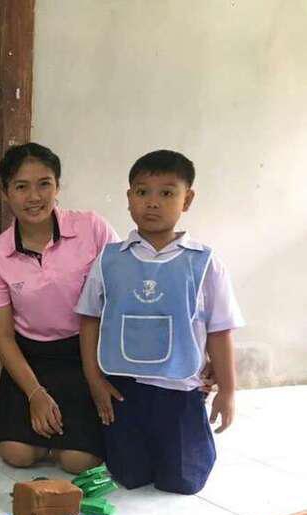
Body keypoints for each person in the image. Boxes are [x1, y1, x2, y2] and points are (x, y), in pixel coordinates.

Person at [77, 150, 243, 494]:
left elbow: (220, 330)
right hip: (123, 389)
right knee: (129, 475)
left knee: (183, 481)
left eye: (167, 193)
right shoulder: (109, 259)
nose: (152, 202)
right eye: (142, 192)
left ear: (187, 200)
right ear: (129, 198)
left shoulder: (204, 263)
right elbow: (90, 319)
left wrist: (228, 391)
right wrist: (94, 380)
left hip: (180, 389)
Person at [0, 143, 120, 475]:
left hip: (86, 354)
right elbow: (3, 337)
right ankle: (47, 431)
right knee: (16, 453)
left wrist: (100, 372)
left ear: (58, 186)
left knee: (78, 461)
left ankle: (64, 439)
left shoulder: (92, 228)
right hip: (30, 358)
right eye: (21, 186)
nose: (34, 197)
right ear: (5, 192)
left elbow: (123, 294)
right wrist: (35, 393)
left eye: (44, 184)